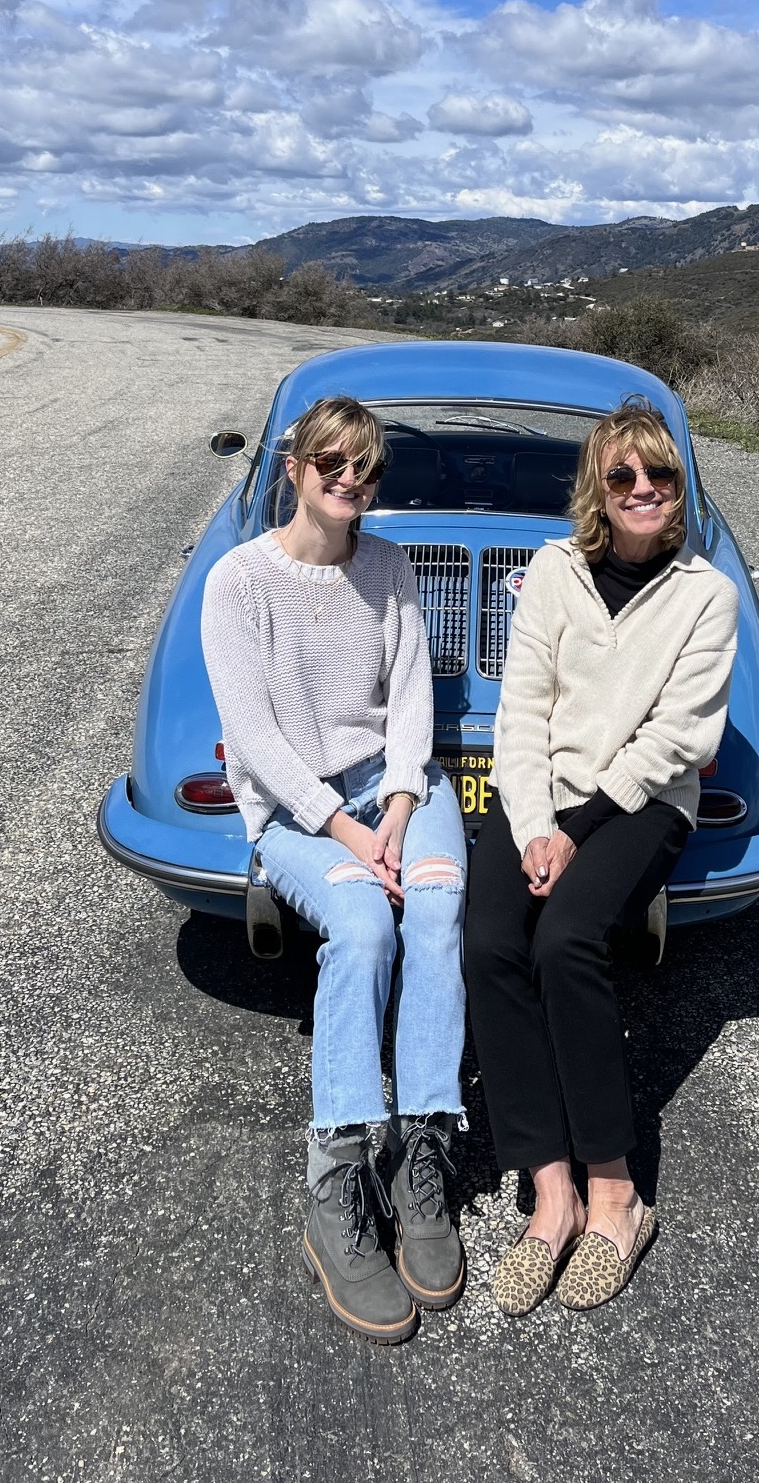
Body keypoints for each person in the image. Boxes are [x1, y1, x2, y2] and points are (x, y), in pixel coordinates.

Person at [200, 395, 468, 1345]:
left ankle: (422, 1153)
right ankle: (337, 1172)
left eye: (365, 467)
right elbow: (257, 739)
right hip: (300, 812)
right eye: (332, 463)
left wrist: (396, 812)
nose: (350, 480)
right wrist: (350, 837)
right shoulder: (239, 582)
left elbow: (409, 701)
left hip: (399, 794)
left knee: (435, 911)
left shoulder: (390, 566)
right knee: (361, 927)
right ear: (293, 466)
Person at [464, 400, 739, 1315]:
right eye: (621, 477)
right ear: (598, 488)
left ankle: (617, 1193)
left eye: (658, 475)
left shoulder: (708, 595)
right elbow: (522, 708)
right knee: (491, 941)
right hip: (543, 795)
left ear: (679, 486)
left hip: (640, 804)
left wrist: (572, 833)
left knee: (567, 940)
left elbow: (678, 739)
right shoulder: (552, 572)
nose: (642, 491)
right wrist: (534, 819)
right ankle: (550, 1191)